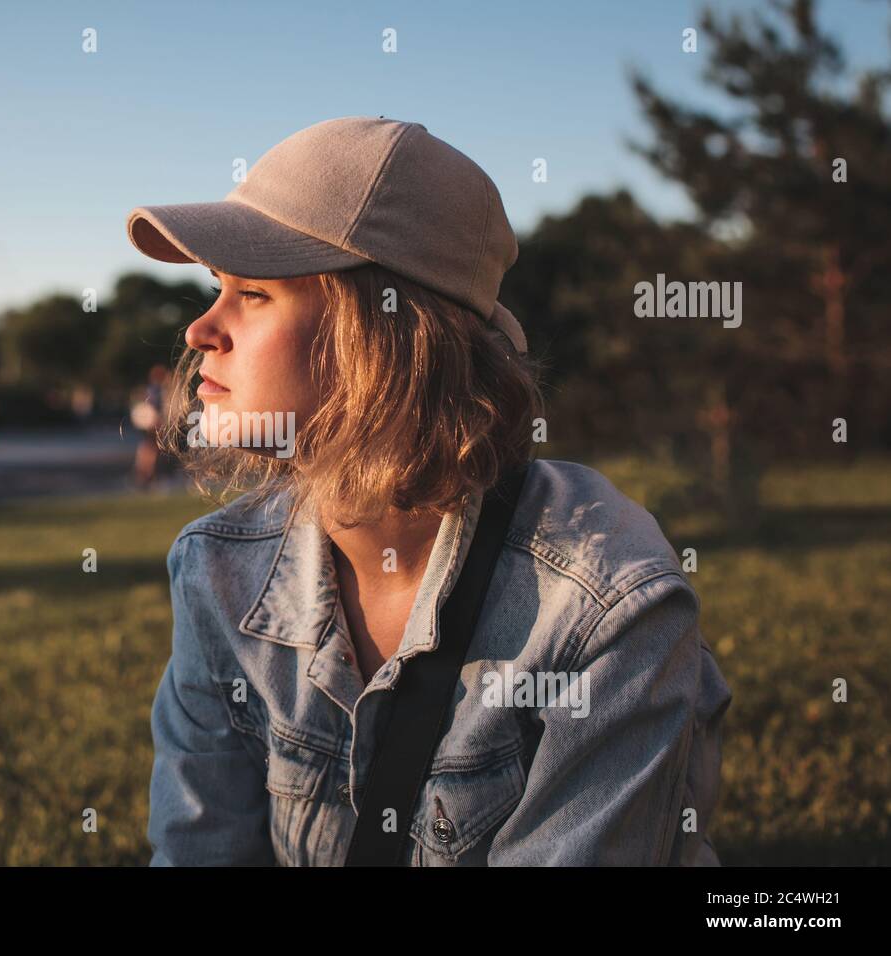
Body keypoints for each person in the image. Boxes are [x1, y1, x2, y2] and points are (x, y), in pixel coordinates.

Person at [125, 116, 733, 866]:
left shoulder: (605, 607)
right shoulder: (216, 570)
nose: (198, 330)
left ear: (385, 336)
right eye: (215, 289)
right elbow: (199, 851)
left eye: (252, 293)